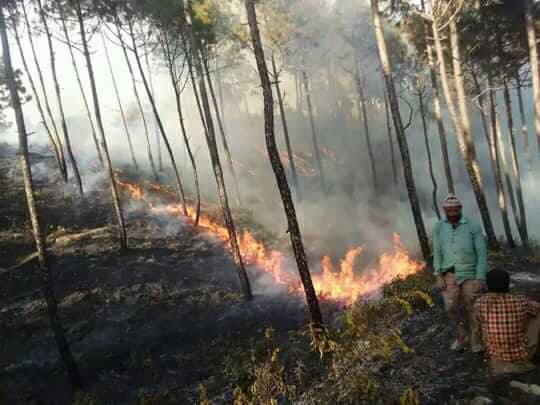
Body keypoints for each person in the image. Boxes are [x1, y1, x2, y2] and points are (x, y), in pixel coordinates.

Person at [432, 194, 487, 352]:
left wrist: (480, 277)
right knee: (450, 308)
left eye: (455, 210)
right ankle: (462, 336)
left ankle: (476, 339)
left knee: (473, 307)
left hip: (470, 274)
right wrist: (438, 274)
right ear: (444, 210)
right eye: (449, 211)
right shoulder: (439, 227)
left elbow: (482, 253)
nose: (452, 214)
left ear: (460, 209)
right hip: (449, 274)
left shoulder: (473, 226)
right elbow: (437, 252)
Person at [475, 268, 540, 375]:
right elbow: (537, 308)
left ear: (487, 285)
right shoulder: (520, 301)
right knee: (536, 315)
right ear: (508, 284)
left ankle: (494, 357)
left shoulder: (480, 303)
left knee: (484, 323)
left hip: (494, 353)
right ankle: (529, 351)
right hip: (521, 354)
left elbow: (479, 322)